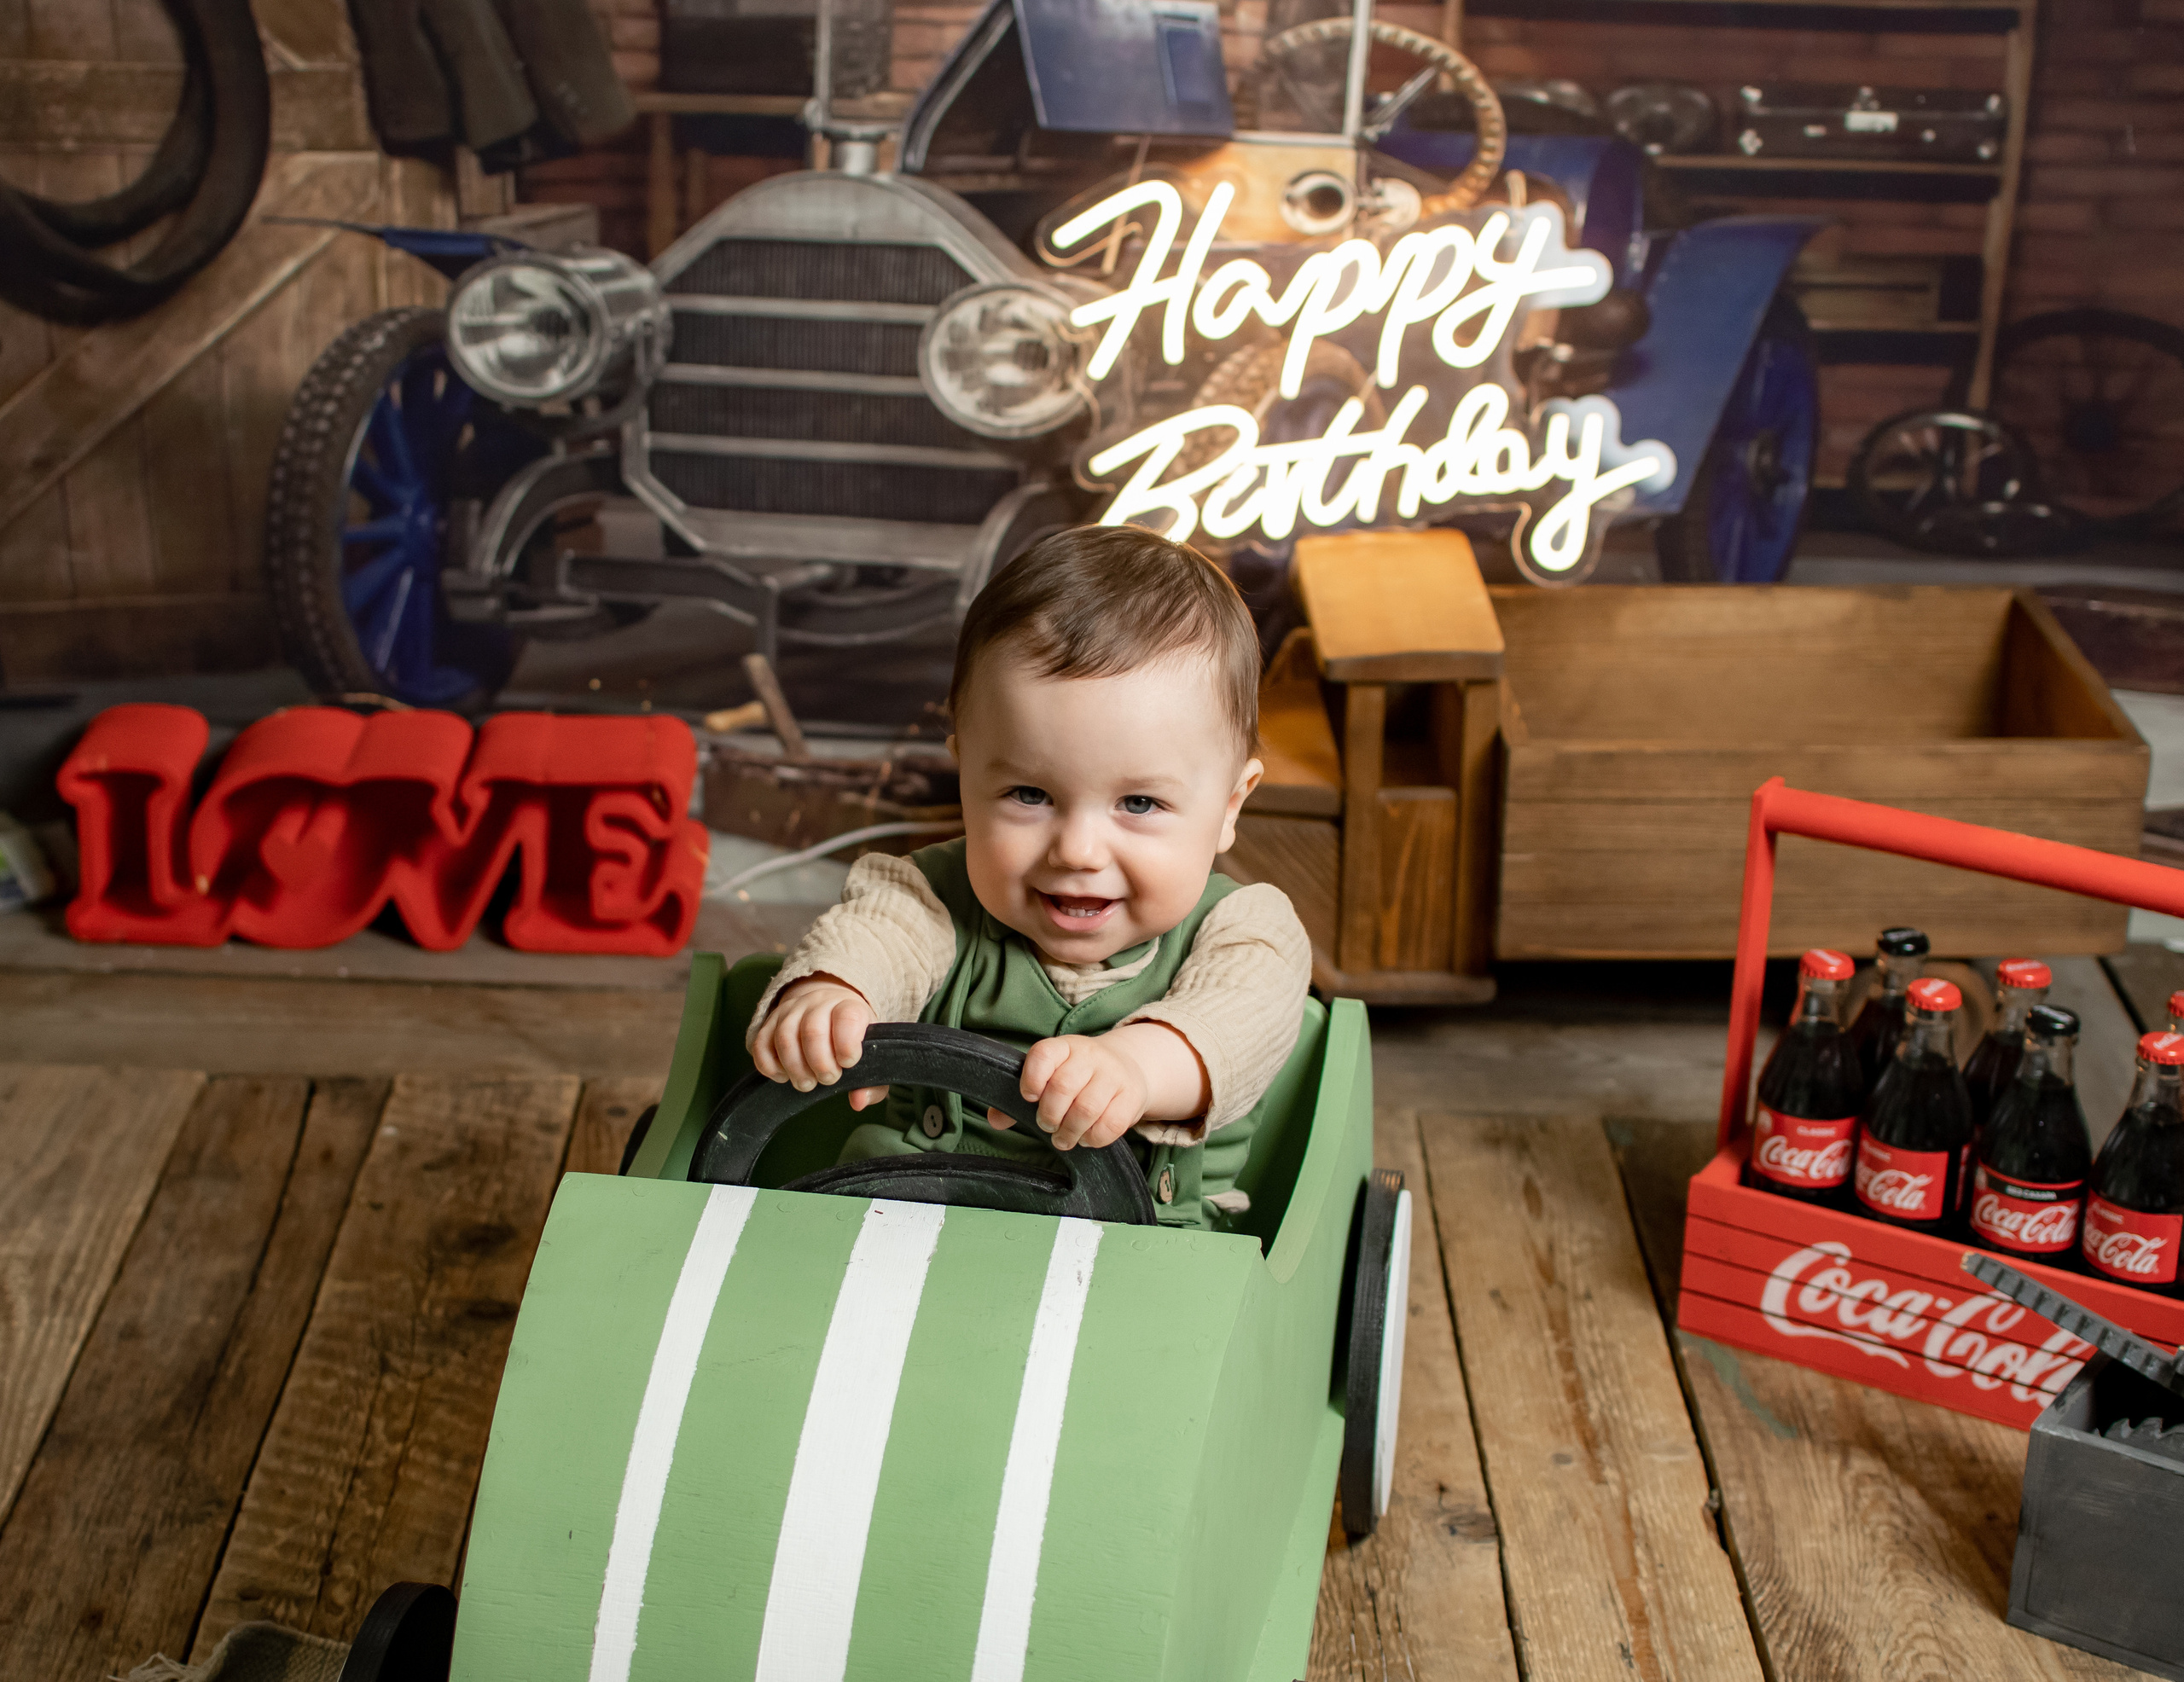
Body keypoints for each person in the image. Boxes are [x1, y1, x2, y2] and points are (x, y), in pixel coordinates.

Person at [745, 524, 1313, 1228]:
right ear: (966, 777)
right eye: (1029, 796)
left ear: (1230, 806)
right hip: (897, 1223)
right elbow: (877, 938)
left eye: (1139, 803)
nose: (1076, 850)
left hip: (1142, 1264)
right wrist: (833, 995)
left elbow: (1238, 1020)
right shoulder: (924, 897)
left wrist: (1135, 1068)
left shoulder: (1246, 930)